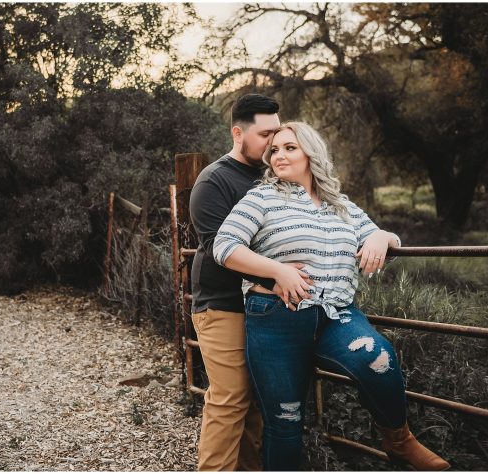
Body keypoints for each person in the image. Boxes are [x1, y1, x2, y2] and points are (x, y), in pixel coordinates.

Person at [212, 121, 450, 471]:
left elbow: (387, 237)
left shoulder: (342, 206)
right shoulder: (261, 197)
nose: (279, 155)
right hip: (275, 318)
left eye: (290, 147)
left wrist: (381, 237)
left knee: (378, 361)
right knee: (285, 421)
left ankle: (399, 441)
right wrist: (277, 270)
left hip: (336, 315)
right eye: (274, 150)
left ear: (311, 152)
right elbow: (224, 246)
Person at [188, 93, 312, 471]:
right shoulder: (214, 181)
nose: (274, 144)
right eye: (266, 135)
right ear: (238, 133)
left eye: (279, 134)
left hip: (267, 307)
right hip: (223, 304)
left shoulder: (274, 174)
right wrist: (274, 275)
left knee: (258, 399)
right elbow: (216, 249)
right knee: (229, 398)